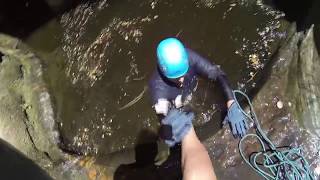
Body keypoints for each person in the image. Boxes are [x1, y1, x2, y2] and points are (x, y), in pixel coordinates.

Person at [148, 37, 249, 179]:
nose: (181, 80)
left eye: (183, 74)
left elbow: (218, 74)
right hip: (176, 103)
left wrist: (231, 103)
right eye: (176, 78)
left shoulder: (189, 57)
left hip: (192, 91)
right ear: (164, 73)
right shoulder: (158, 90)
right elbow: (165, 117)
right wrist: (171, 126)